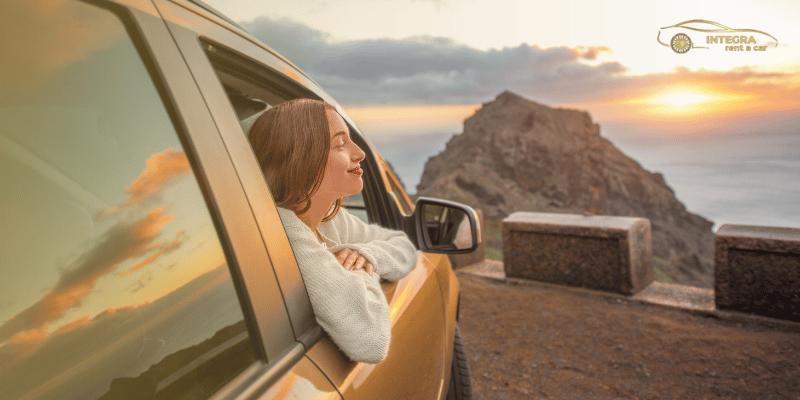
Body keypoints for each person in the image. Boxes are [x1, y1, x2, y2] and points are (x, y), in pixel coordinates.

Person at [248, 98, 417, 364]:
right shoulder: (288, 235)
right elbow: (371, 342)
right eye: (340, 143)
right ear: (302, 156)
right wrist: (360, 270)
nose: (359, 153)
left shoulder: (327, 217)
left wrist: (365, 254)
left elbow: (404, 248)